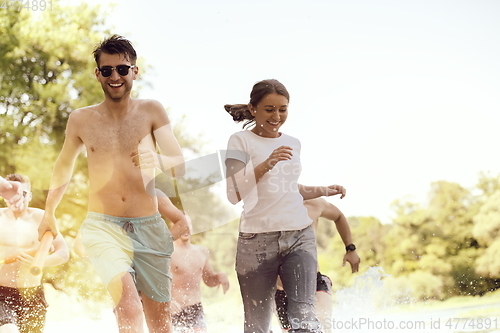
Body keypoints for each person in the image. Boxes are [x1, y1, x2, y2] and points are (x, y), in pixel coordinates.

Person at [37, 35, 185, 333]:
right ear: (98, 74)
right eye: (107, 70)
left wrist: (155, 159)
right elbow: (63, 167)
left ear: (134, 71)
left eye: (122, 69)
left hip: (149, 227)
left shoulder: (152, 111)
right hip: (102, 226)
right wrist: (48, 212)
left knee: (160, 323)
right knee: (128, 306)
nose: (115, 76)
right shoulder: (81, 120)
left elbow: (178, 166)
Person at [224, 79, 346, 333]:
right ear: (253, 108)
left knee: (304, 316)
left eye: (283, 109)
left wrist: (324, 190)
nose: (277, 116)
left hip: (299, 235)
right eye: (269, 109)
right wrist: (266, 163)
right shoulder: (239, 141)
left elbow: (290, 189)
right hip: (256, 240)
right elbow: (234, 193)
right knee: (257, 325)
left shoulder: (294, 142)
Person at [274, 198, 361, 333]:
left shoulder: (313, 203)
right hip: (281, 287)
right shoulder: (268, 207)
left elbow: (338, 216)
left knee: (321, 326)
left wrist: (350, 249)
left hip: (313, 280)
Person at [0, 173, 69, 333]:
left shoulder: (42, 218)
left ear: (29, 195)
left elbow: (63, 253)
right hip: (1, 292)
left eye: (22, 194)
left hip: (32, 294)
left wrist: (41, 262)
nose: (16, 199)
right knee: (8, 330)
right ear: (4, 195)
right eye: (12, 194)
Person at [170, 214, 229, 333]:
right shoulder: (167, 252)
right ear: (173, 227)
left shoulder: (201, 252)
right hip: (173, 309)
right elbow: (157, 282)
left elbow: (209, 280)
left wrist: (219, 277)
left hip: (195, 309)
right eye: (181, 225)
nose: (185, 228)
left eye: (188, 225)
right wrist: (167, 301)